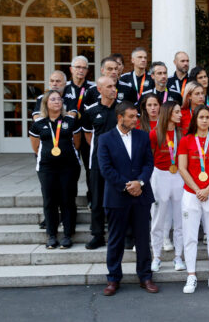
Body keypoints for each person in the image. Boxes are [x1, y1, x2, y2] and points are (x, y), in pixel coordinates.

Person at [97, 101, 157, 296]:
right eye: (131, 116)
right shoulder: (105, 139)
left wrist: (139, 182)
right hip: (117, 197)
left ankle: (145, 277)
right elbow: (106, 169)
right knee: (115, 239)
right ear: (120, 117)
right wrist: (127, 185)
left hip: (141, 195)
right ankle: (113, 279)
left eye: (136, 116)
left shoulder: (143, 136)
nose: (135, 120)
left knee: (142, 238)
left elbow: (149, 163)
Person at [177, 105, 209, 294]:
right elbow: (182, 168)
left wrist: (207, 189)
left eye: (207, 117)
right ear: (195, 120)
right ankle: (191, 275)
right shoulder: (186, 140)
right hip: (192, 194)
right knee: (190, 237)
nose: (205, 120)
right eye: (201, 117)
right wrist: (198, 189)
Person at [29, 90, 81, 249]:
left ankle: (67, 235)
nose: (57, 102)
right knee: (50, 201)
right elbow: (36, 147)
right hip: (47, 168)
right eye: (53, 99)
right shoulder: (38, 123)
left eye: (59, 99)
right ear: (46, 103)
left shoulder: (70, 121)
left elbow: (77, 143)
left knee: (67, 200)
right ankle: (51, 235)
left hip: (69, 167)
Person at [82, 73, 121, 250]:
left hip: (119, 163)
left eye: (114, 86)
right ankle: (97, 235)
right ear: (99, 90)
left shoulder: (121, 110)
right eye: (109, 87)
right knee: (97, 200)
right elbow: (88, 136)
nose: (113, 89)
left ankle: (121, 234)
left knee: (120, 198)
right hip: (98, 162)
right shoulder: (90, 111)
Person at [149, 101, 186, 272]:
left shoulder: (182, 133)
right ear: (169, 113)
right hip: (160, 175)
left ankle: (178, 257)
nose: (181, 115)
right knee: (158, 218)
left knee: (180, 219)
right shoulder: (155, 134)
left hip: (178, 175)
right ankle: (156, 257)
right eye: (177, 112)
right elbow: (149, 158)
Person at [63, 56, 95, 205]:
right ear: (71, 69)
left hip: (88, 134)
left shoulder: (93, 88)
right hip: (67, 136)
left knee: (91, 168)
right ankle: (68, 202)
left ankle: (91, 198)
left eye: (84, 68)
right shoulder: (64, 87)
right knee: (69, 171)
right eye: (78, 67)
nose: (81, 70)